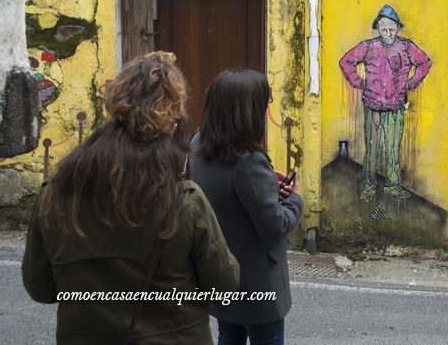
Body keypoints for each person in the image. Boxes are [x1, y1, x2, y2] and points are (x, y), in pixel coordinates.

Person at [22, 51, 240, 344]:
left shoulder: (56, 196)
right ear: (173, 124)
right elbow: (224, 289)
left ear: (112, 111)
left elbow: (41, 288)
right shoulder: (185, 203)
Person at [189, 69, 302, 345]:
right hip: (256, 283)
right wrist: (294, 199)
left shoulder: (198, 143)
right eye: (264, 104)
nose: (265, 111)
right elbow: (274, 227)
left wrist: (265, 189)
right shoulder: (248, 161)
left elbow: (229, 198)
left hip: (221, 272)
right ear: (248, 111)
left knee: (229, 336)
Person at [339, 4, 432, 202]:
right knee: (371, 150)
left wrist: (411, 83)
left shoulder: (406, 47)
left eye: (391, 28)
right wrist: (359, 82)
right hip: (372, 106)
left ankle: (392, 185)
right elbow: (346, 61)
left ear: (397, 28)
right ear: (378, 29)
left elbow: (425, 62)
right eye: (383, 28)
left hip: (395, 107)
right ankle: (369, 186)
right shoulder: (368, 46)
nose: (387, 32)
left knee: (393, 150)